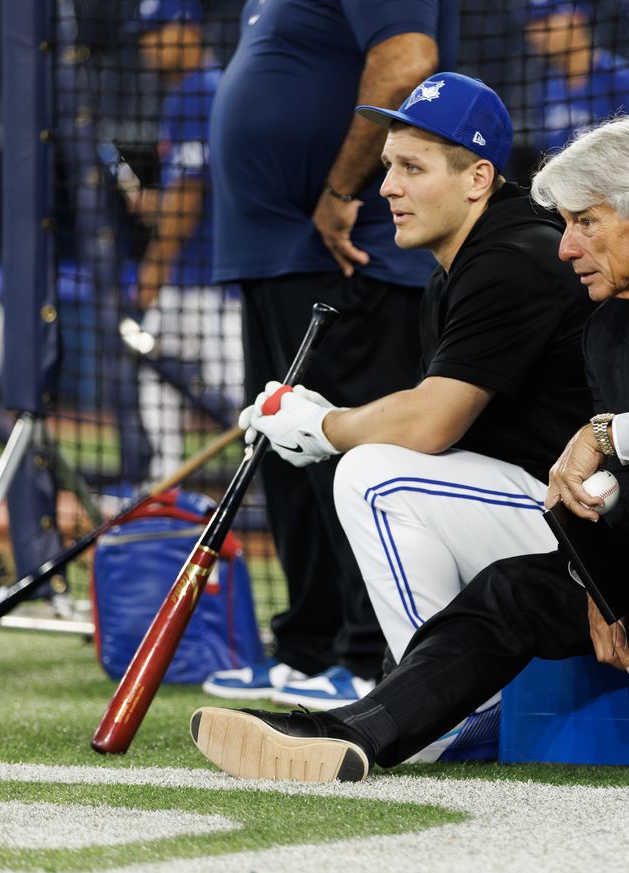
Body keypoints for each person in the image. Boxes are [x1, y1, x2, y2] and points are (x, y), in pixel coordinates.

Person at [189, 116, 629, 787]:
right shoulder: (608, 327)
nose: (566, 245)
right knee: (515, 588)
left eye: (583, 223)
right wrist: (604, 584)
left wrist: (606, 433)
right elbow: (620, 487)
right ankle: (361, 729)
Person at [238, 73, 595, 756]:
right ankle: (434, 691)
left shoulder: (511, 259)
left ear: (477, 178)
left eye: (411, 168)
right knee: (387, 469)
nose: (387, 189)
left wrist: (324, 426)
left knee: (374, 477)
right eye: (387, 167)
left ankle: (444, 711)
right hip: (557, 521)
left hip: (591, 537)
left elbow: (433, 422)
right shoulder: (470, 260)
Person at [202, 1, 445, 707]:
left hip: (346, 252)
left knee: (348, 453)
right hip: (277, 252)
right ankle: (310, 646)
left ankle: (369, 653)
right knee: (283, 452)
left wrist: (341, 189)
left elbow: (407, 61)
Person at [121, 0, 242, 480]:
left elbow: (190, 197)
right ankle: (169, 479)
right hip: (216, 276)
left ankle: (168, 481)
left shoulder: (195, 92)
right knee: (161, 374)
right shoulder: (219, 86)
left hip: (205, 281)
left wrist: (154, 265)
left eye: (157, 32)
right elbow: (196, 189)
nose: (147, 46)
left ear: (188, 29)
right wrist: (160, 203)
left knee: (234, 392)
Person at [523, 1, 629, 154]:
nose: (534, 35)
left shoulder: (620, 77)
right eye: (531, 25)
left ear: (576, 18)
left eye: (544, 22)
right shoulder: (545, 89)